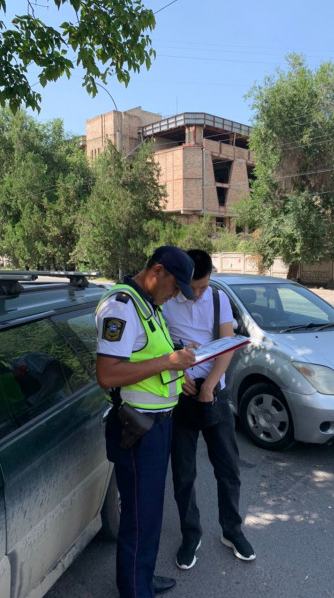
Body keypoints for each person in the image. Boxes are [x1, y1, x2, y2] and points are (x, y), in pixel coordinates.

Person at [95, 246, 197, 598]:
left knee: (150, 512)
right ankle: (135, 590)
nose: (175, 295)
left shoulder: (148, 304)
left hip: (157, 425)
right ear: (157, 271)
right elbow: (108, 374)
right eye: (174, 287)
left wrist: (177, 365)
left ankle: (142, 578)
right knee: (140, 517)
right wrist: (169, 362)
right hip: (137, 429)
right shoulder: (121, 307)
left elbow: (147, 357)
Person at [162, 249, 255, 570]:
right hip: (180, 395)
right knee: (183, 473)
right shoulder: (167, 300)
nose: (199, 293)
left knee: (228, 468)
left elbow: (227, 345)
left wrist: (209, 385)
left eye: (204, 286)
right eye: (193, 288)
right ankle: (191, 533)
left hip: (214, 393)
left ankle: (232, 530)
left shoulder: (217, 299)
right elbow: (160, 345)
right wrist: (179, 376)